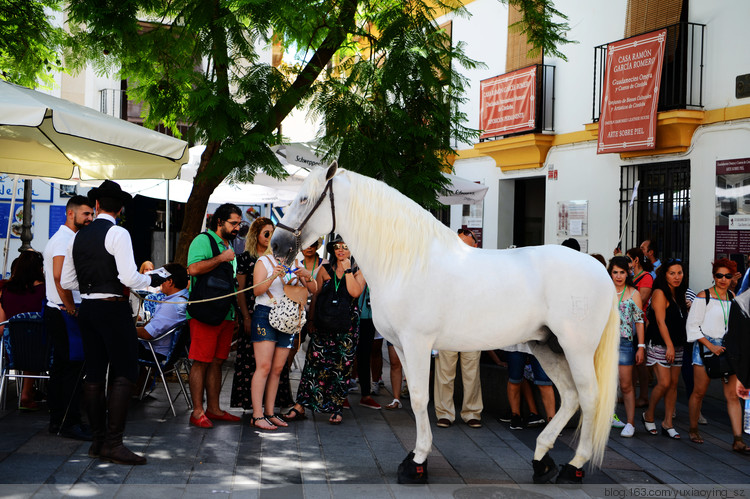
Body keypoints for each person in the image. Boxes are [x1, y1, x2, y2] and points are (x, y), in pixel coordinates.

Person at [61, 180, 166, 466]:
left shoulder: (78, 236)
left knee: (94, 373)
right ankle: (114, 443)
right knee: (124, 372)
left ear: (95, 206)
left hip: (88, 309)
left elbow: (67, 281)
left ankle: (98, 441)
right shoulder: (117, 232)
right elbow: (130, 278)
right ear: (120, 209)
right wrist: (155, 280)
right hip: (112, 308)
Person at [284, 236, 364, 425]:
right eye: (337, 247)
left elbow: (355, 292)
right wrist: (311, 320)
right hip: (323, 324)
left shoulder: (359, 271)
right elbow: (316, 294)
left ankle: (336, 408)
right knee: (313, 364)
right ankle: (300, 405)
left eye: (346, 247)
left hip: (347, 328)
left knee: (341, 368)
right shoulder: (325, 269)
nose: (341, 250)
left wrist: (348, 271)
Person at [185, 203, 243, 429]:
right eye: (234, 223)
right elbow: (193, 269)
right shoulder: (204, 241)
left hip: (225, 313)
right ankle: (197, 411)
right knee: (201, 361)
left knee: (218, 361)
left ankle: (214, 409)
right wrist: (221, 258)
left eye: (240, 223)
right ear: (220, 222)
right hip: (205, 312)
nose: (238, 227)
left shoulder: (229, 245)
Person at [43, 195, 94, 440]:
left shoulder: (69, 238)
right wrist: (72, 307)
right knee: (71, 370)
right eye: (86, 214)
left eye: (92, 214)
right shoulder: (64, 240)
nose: (90, 218)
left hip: (61, 310)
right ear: (70, 213)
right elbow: (57, 276)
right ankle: (69, 422)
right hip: (64, 312)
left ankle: (59, 421)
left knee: (63, 369)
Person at [249, 242, 316, 429]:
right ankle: (257, 415)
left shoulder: (297, 263)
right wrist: (273, 276)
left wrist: (307, 275)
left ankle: (270, 412)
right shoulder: (264, 261)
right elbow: (257, 291)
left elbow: (314, 289)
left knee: (278, 368)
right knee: (263, 366)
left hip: (288, 318)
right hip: (265, 313)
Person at [230, 218, 294, 411]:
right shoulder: (246, 258)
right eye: (266, 233)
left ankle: (271, 408)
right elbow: (242, 290)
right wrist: (246, 317)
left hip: (280, 314)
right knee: (257, 364)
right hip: (256, 311)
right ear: (256, 234)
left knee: (275, 367)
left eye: (273, 233)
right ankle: (253, 408)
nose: (269, 237)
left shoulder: (282, 258)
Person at [686, 259, 749, 453]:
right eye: (719, 275)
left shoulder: (734, 298)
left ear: (733, 278)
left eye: (727, 276)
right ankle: (693, 428)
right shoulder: (702, 297)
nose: (723, 279)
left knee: (732, 395)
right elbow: (692, 326)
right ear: (713, 276)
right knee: (699, 392)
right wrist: (711, 346)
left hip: (729, 349)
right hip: (706, 347)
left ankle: (738, 439)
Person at [434, 228, 484, 428]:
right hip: (448, 327)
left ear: (475, 246)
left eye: (465, 244)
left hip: (472, 327)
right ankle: (444, 412)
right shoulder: (444, 266)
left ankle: (472, 412)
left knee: (472, 373)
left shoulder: (481, 267)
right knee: (445, 373)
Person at [642, 259, 687, 439]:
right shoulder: (660, 292)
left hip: (677, 343)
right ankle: (649, 414)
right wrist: (669, 345)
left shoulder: (680, 292)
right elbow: (660, 321)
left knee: (673, 385)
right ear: (665, 275)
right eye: (672, 273)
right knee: (664, 383)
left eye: (680, 273)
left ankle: (668, 422)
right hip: (660, 343)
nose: (677, 277)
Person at [0, 251, 47, 410]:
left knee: (27, 341)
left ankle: (27, 391)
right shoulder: (46, 291)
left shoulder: (5, 291)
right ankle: (29, 392)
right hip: (42, 351)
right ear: (40, 269)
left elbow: (1, 326)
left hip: (12, 350)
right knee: (37, 339)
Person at [608, 256, 645, 437]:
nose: (618, 276)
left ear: (627, 273)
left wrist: (641, 346)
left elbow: (639, 321)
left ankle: (630, 423)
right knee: (605, 383)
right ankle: (607, 416)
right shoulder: (604, 290)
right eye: (615, 272)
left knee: (626, 385)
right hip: (605, 342)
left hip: (624, 342)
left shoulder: (633, 293)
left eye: (622, 272)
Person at [136, 263, 189, 360]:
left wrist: (126, 329)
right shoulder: (184, 297)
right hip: (170, 352)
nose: (160, 282)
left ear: (170, 282)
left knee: (118, 341)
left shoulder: (171, 305)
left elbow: (147, 334)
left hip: (156, 352)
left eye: (161, 279)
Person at [625, 247, 653, 408]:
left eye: (629, 259)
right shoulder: (630, 276)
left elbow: (640, 300)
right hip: (627, 324)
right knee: (631, 362)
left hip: (640, 322)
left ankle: (643, 396)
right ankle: (631, 395)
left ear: (636, 260)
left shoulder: (646, 277)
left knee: (640, 362)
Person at [355, 282, 381, 409]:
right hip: (350, 315)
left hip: (368, 317)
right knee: (346, 357)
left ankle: (366, 395)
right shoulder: (351, 267)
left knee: (364, 356)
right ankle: (340, 396)